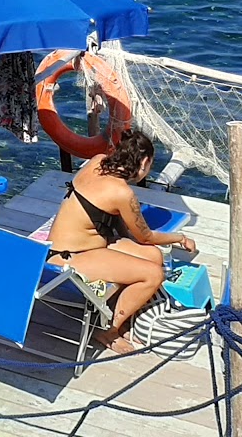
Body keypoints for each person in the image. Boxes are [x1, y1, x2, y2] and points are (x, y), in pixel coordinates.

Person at [44, 128, 197, 354]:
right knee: (153, 274)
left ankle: (117, 310)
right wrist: (180, 238)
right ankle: (109, 330)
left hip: (79, 246)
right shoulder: (122, 193)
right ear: (144, 162)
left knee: (154, 257)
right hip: (69, 258)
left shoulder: (96, 161)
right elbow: (146, 237)